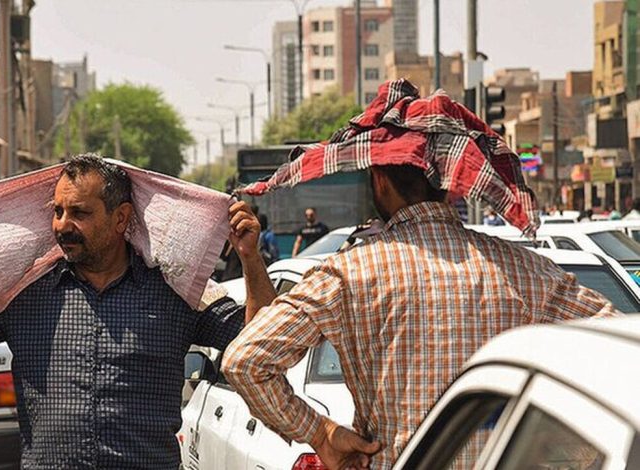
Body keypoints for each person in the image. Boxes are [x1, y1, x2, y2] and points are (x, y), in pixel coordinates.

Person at [221, 80, 618, 470]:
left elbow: (246, 360)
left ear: (379, 179)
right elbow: (619, 351)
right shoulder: (526, 271)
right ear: (447, 182)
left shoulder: (346, 274)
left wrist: (321, 433)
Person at [0, 155, 276, 469]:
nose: (62, 225)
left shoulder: (175, 293)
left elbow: (263, 343)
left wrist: (250, 258)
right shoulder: (25, 292)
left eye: (79, 213)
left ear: (121, 218)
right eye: (57, 211)